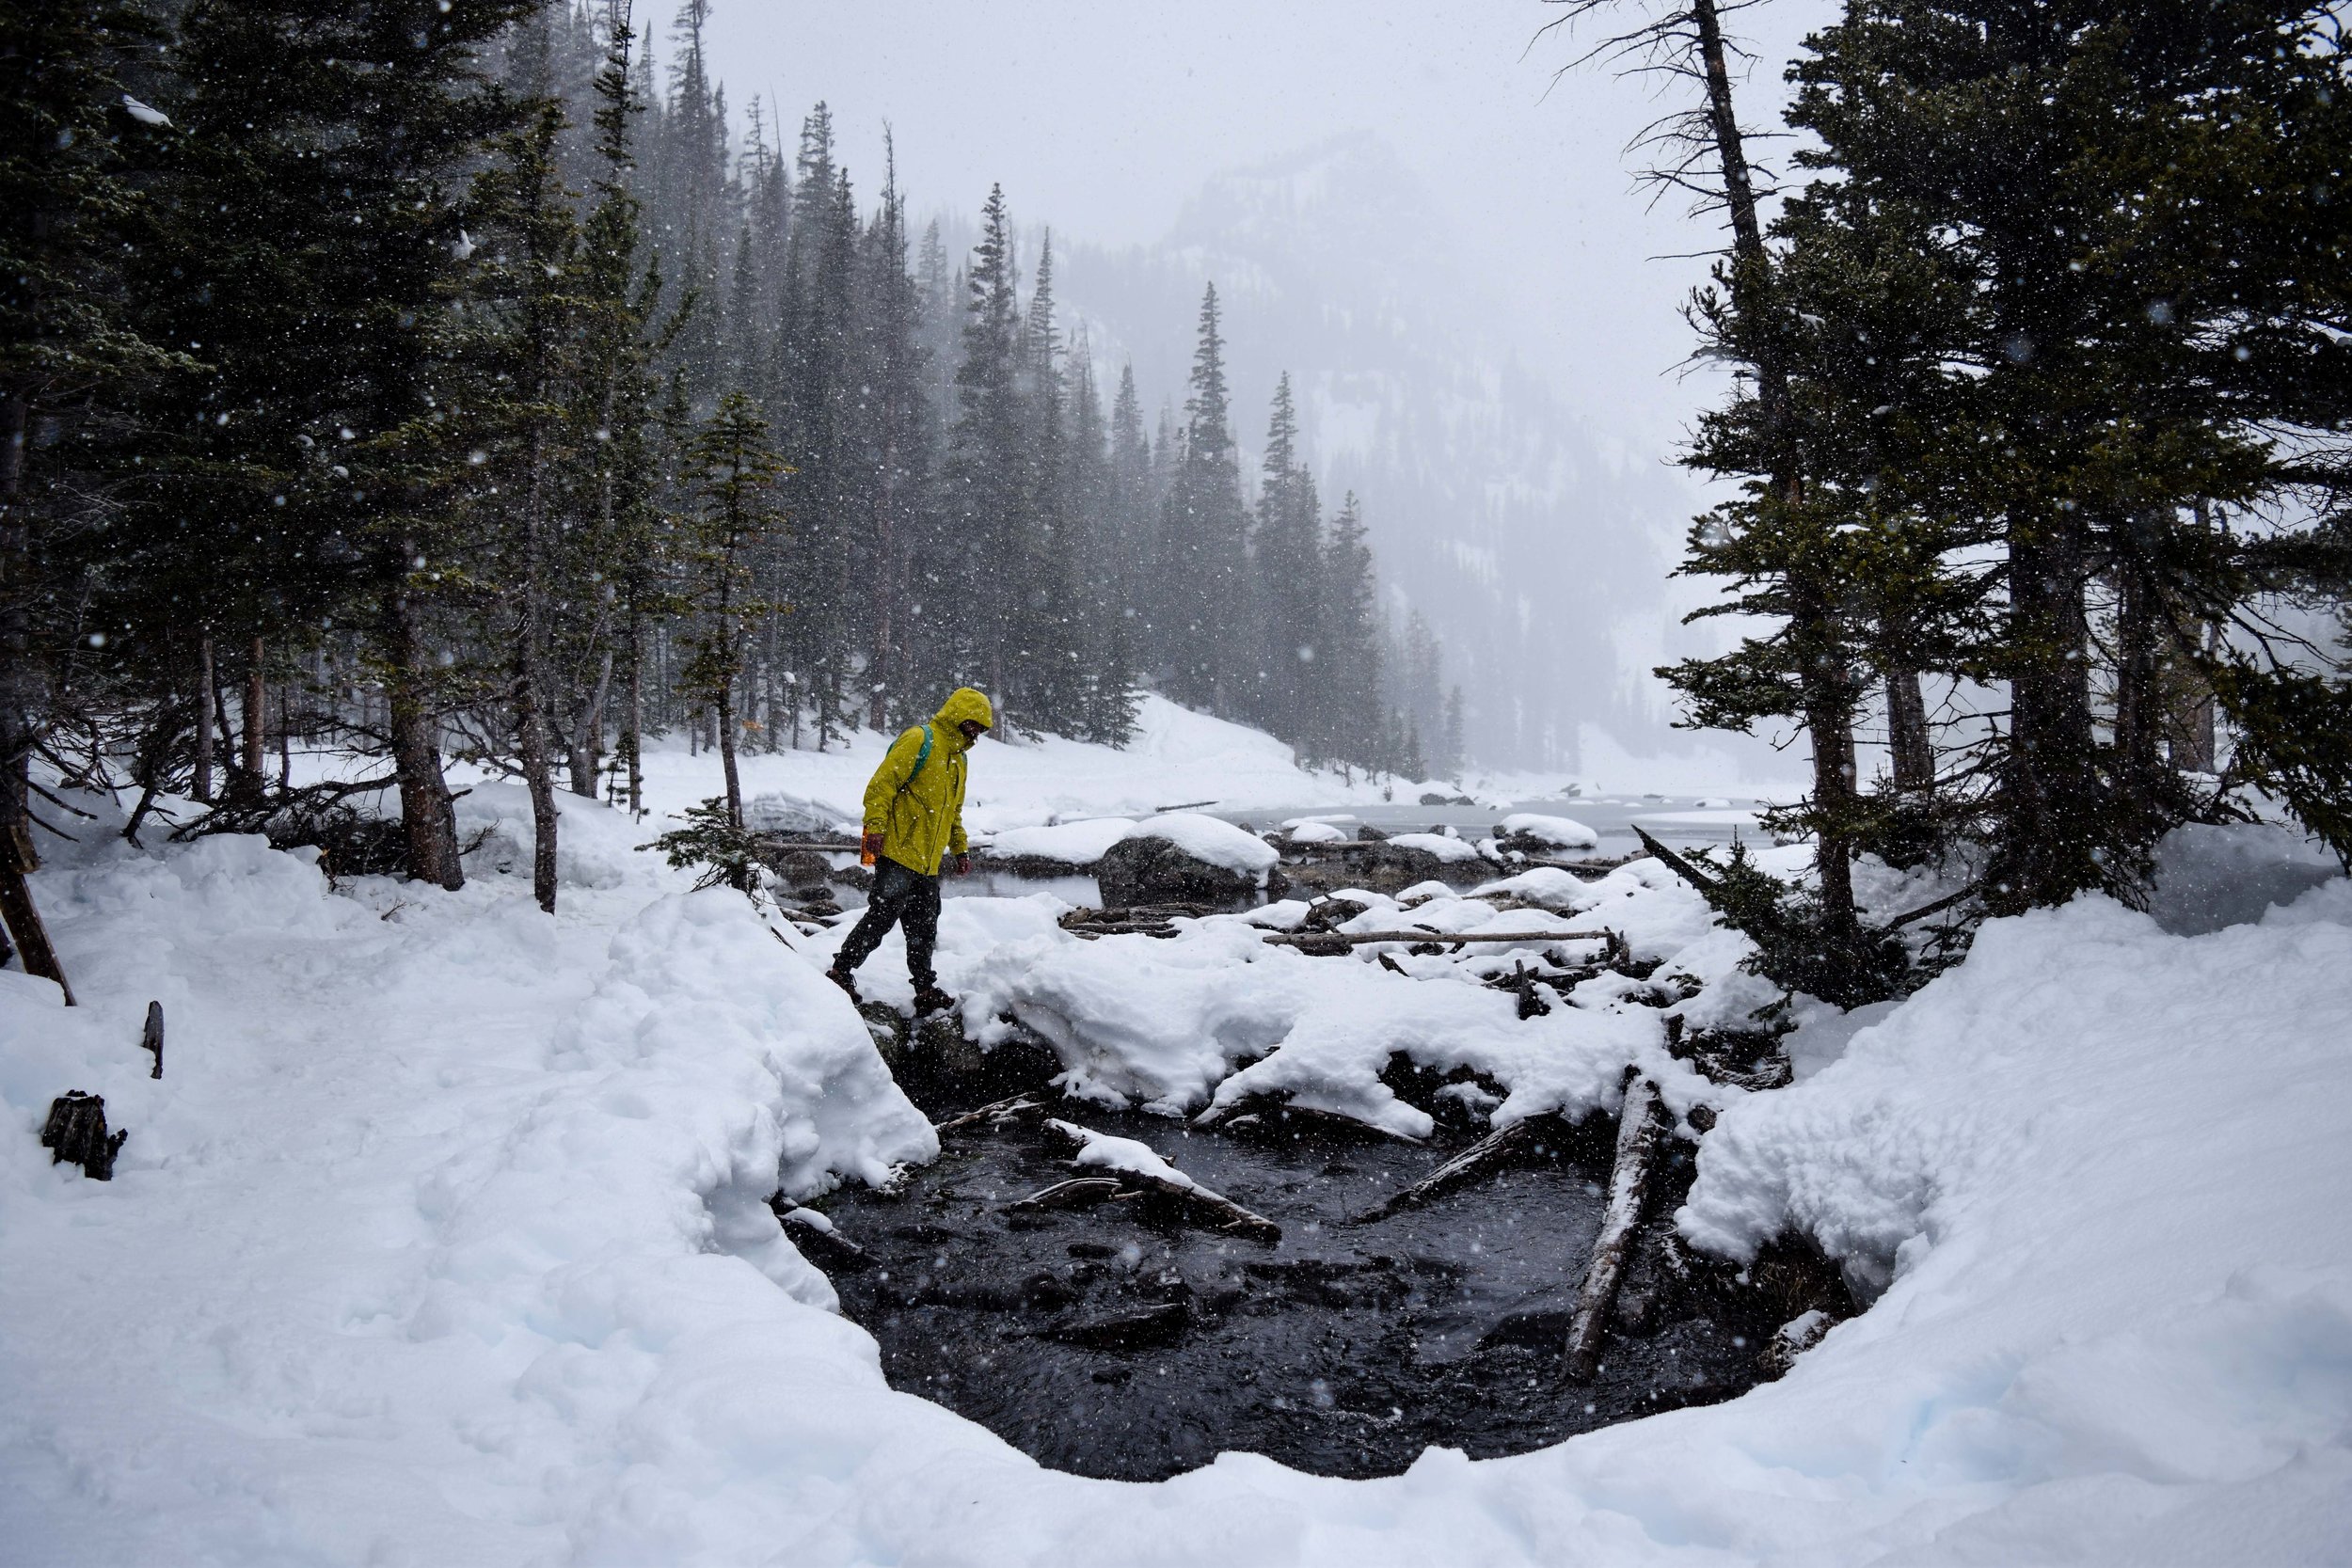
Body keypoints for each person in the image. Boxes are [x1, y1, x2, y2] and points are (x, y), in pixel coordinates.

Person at [827, 687, 993, 1014]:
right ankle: (840, 972)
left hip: (929, 863)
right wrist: (874, 828)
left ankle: (925, 988)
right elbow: (881, 785)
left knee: (924, 926)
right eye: (973, 724)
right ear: (958, 715)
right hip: (897, 851)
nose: (976, 732)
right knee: (883, 915)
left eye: (981, 729)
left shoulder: (960, 760)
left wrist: (960, 850)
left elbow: (953, 812)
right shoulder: (920, 739)